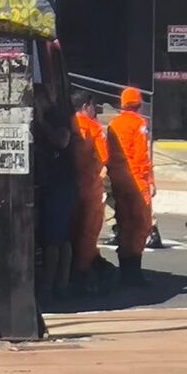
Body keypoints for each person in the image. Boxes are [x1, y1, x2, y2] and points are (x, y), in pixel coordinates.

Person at [107, 86, 155, 286]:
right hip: (136, 180)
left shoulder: (113, 124)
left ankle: (125, 268)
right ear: (139, 103)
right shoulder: (139, 124)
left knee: (124, 223)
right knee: (140, 226)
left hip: (118, 179)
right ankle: (134, 272)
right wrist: (150, 181)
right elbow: (142, 156)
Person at [33, 86, 77, 304]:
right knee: (57, 237)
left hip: (62, 183)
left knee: (55, 238)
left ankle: (53, 285)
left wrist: (41, 122)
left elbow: (63, 141)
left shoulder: (57, 116)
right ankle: (60, 283)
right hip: (51, 182)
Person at [69, 90, 114, 293]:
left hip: (69, 185)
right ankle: (83, 273)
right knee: (89, 231)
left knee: (71, 229)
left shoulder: (68, 124)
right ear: (87, 106)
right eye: (93, 106)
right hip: (90, 186)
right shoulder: (94, 128)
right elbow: (105, 159)